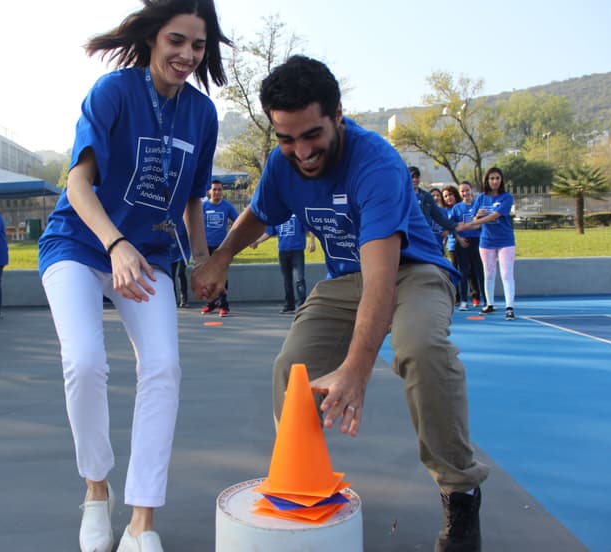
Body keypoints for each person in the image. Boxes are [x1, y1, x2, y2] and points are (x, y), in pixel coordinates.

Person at [192, 56, 488, 552]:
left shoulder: (377, 164)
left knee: (420, 349)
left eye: (312, 135)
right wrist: (221, 257)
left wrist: (356, 367)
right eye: (286, 138)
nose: (301, 152)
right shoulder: (282, 163)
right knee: (293, 370)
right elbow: (259, 214)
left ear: (338, 116)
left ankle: (460, 490)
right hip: (344, 279)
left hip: (412, 271)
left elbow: (381, 280)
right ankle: (299, 486)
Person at [36, 2, 230, 550]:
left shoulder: (202, 114)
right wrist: (114, 242)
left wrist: (201, 260)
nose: (187, 55)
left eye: (198, 46)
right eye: (177, 40)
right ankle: (96, 491)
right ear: (151, 37)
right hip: (78, 243)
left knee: (164, 368)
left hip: (147, 255)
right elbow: (78, 183)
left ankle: (142, 520)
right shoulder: (113, 93)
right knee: (84, 360)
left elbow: (192, 199)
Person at [457, 167, 516, 321]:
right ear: (487, 181)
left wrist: (469, 224)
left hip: (505, 241)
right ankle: (489, 304)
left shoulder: (506, 197)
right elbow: (476, 223)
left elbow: (494, 216)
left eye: (497, 178)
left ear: (501, 180)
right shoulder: (481, 198)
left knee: (506, 273)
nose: (495, 181)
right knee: (488, 273)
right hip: (486, 241)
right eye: (492, 178)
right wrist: (476, 217)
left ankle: (509, 307)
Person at [250, 213, 316, 314]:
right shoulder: (279, 215)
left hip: (297, 251)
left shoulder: (298, 214)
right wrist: (257, 242)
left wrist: (312, 241)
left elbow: (310, 227)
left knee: (299, 278)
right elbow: (269, 232)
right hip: (283, 251)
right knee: (287, 280)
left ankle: (302, 305)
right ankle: (289, 305)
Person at [201, 179, 238, 316]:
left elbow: (238, 221)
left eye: (219, 190)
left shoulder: (227, 207)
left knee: (221, 277)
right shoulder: (203, 206)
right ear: (209, 191)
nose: (217, 192)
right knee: (208, 278)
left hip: (222, 248)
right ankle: (211, 304)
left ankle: (224, 306)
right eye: (214, 189)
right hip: (206, 247)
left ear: (222, 191)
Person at [448, 182, 485, 311]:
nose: (465, 193)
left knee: (478, 271)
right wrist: (459, 237)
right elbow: (452, 226)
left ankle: (484, 299)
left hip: (477, 241)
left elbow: (480, 224)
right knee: (463, 272)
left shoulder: (478, 206)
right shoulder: (456, 208)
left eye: (467, 190)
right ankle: (464, 300)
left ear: (472, 190)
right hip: (462, 242)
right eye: (462, 191)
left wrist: (465, 225)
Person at [410, 167, 460, 253]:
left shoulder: (426, 196)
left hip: (426, 235)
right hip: (410, 235)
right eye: (412, 177)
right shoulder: (402, 195)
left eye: (417, 177)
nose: (415, 179)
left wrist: (453, 226)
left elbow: (438, 216)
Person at [441, 185, 466, 309]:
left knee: (467, 271)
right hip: (452, 245)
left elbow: (463, 225)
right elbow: (446, 228)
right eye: (445, 196)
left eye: (450, 195)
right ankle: (455, 297)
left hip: (464, 242)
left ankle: (471, 296)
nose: (448, 198)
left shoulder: (460, 208)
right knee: (454, 271)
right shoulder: (442, 212)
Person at [169, 218, 190, 308]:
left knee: (181, 273)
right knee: (171, 275)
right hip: (172, 251)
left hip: (183, 251)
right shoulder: (167, 219)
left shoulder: (184, 220)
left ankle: (184, 299)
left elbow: (191, 235)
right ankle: (172, 299)